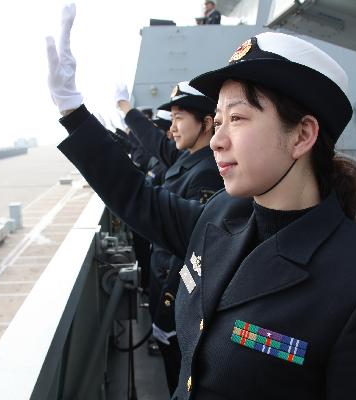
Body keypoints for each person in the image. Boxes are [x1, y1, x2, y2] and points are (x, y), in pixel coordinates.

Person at [47, 5, 356, 399]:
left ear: (302, 135)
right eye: (218, 121)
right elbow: (139, 198)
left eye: (238, 119)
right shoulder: (221, 214)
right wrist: (72, 111)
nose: (217, 141)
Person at [115, 81, 224, 394]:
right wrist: (123, 111)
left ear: (205, 124)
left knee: (181, 377)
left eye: (179, 119)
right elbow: (150, 140)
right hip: (163, 282)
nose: (172, 129)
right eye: (171, 119)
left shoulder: (206, 172)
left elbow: (192, 254)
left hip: (177, 301)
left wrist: (167, 308)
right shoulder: (187, 158)